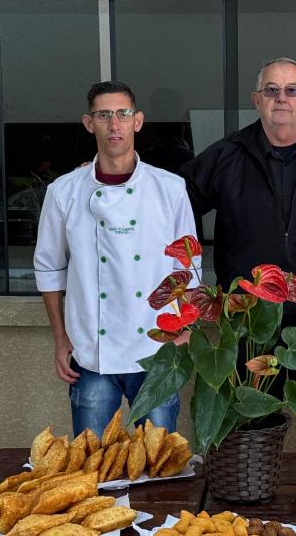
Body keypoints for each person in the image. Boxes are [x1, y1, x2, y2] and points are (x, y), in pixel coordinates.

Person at [181, 57, 296, 451]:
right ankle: (247, 503)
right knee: (247, 430)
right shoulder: (226, 156)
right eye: (271, 90)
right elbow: (171, 204)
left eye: (290, 91)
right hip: (248, 320)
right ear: (256, 99)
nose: (281, 98)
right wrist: (121, 181)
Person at [34, 81, 196, 437]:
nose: (114, 124)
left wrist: (184, 329)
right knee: (92, 466)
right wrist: (61, 339)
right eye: (104, 115)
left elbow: (185, 265)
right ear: (89, 123)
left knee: (158, 463)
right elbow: (49, 270)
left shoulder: (169, 188)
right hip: (92, 353)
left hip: (156, 349)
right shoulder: (64, 191)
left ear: (137, 121)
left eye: (123, 114)